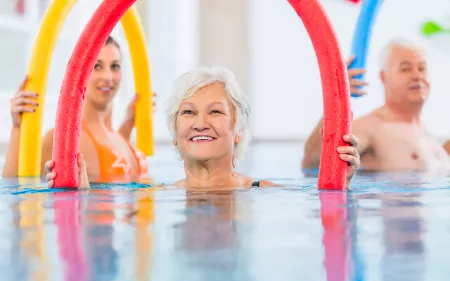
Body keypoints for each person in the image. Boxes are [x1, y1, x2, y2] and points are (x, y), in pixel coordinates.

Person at [45, 66, 360, 190]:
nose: (200, 122)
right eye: (188, 112)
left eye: (216, 112)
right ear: (175, 136)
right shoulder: (155, 196)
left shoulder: (263, 192)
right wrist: (77, 197)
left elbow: (331, 223)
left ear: (238, 131)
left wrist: (340, 186)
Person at [3, 36, 154, 182]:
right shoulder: (63, 138)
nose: (108, 76)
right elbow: (16, 184)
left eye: (115, 66)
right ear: (79, 72)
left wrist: (129, 122)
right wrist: (18, 127)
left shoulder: (119, 139)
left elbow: (113, 164)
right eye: (97, 66)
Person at [302, 38, 450, 173]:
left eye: (422, 68)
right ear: (383, 77)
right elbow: (313, 163)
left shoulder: (428, 136)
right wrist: (335, 99)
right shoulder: (370, 128)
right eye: (406, 69)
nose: (418, 76)